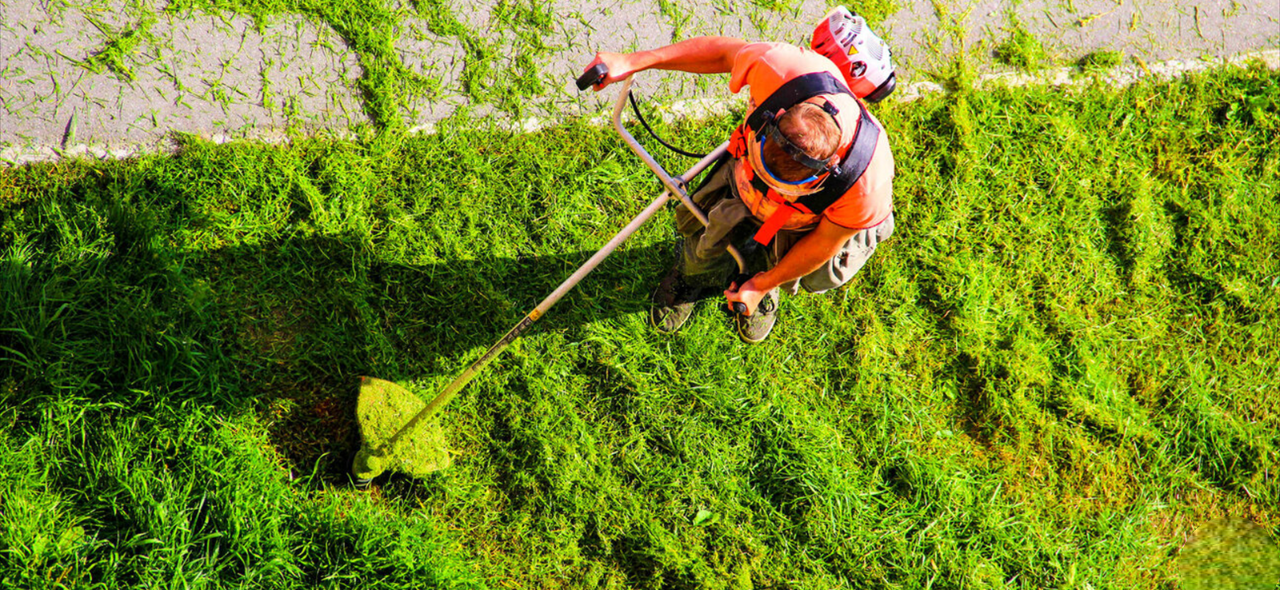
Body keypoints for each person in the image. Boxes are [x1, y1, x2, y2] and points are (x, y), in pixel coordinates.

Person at [583, 8, 896, 343]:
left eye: (784, 185)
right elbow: (723, 53)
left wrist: (762, 284)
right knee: (703, 242)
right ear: (777, 117)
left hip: (803, 222)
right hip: (740, 179)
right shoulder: (784, 70)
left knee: (786, 265)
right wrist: (634, 61)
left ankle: (761, 280)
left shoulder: (866, 181)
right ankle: (691, 278)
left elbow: (823, 242)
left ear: (829, 169)